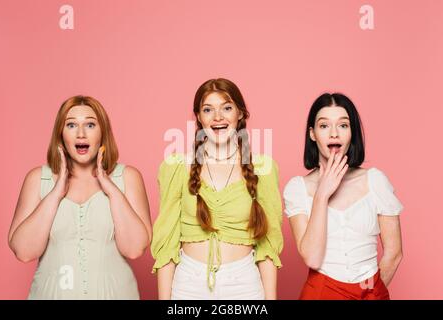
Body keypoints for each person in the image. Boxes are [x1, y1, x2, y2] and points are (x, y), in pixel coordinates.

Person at [151, 78, 283, 300]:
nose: (218, 117)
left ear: (240, 114)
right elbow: (167, 244)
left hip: (243, 284)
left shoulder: (263, 168)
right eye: (208, 109)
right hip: (189, 284)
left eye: (227, 108)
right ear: (199, 117)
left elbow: (268, 247)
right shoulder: (176, 167)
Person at [8, 95, 152, 299]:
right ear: (61, 134)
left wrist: (110, 189)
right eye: (71, 125)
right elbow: (23, 251)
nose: (81, 134)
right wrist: (56, 192)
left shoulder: (127, 177)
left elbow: (135, 249)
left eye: (91, 125)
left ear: (103, 133)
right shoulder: (38, 179)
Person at [284, 93, 404, 300]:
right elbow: (312, 257)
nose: (334, 134)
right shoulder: (298, 188)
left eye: (343, 125)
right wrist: (322, 195)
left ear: (352, 133)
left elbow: (394, 253)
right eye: (324, 126)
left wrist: (372, 292)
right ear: (312, 134)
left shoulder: (375, 180)